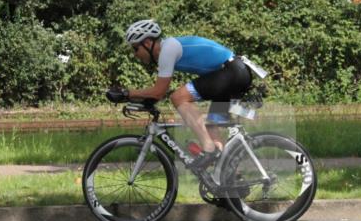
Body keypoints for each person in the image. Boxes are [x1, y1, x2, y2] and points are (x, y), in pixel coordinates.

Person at [105, 19, 254, 173]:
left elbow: (159, 91)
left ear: (148, 43)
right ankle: (231, 182)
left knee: (178, 97)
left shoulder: (167, 49)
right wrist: (132, 97)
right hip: (233, 73)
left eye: (135, 49)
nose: (135, 54)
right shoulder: (167, 50)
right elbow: (157, 94)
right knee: (212, 130)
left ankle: (208, 150)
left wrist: (128, 93)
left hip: (232, 72)